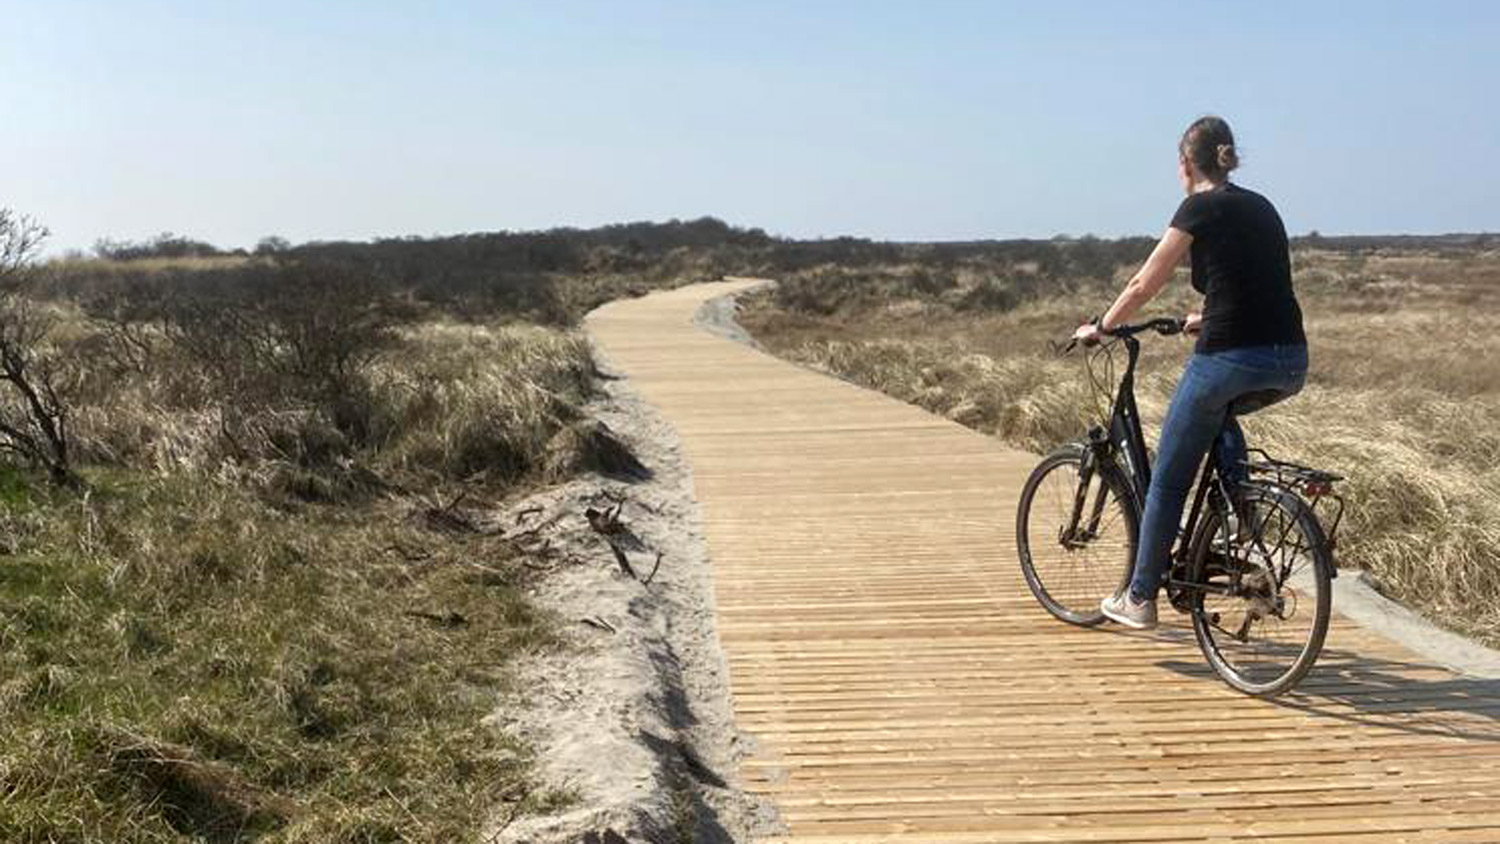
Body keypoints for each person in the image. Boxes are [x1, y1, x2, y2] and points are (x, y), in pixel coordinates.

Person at [1072, 115, 1309, 630]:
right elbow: (1259, 282)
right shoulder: (1261, 205)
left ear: (1185, 164)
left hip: (1232, 355)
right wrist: (1204, 316)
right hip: (1290, 358)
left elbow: (1143, 283)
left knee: (1167, 483)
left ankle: (1138, 598)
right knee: (1220, 417)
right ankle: (1238, 515)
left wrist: (1103, 327)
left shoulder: (1199, 206)